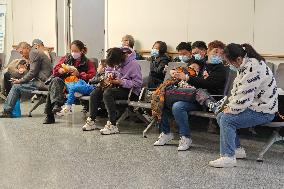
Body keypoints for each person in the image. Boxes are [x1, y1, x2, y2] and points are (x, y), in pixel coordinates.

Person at [209, 43, 278, 168]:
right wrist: (229, 106)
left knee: (226, 119)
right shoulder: (246, 65)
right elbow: (238, 91)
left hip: (264, 111)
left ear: (239, 59)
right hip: (254, 106)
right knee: (221, 116)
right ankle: (237, 150)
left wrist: (232, 109)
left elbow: (245, 97)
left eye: (228, 62)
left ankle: (228, 157)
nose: (229, 65)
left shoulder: (253, 68)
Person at [153, 40, 227, 151]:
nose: (217, 55)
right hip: (190, 95)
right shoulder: (202, 63)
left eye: (221, 54)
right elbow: (189, 68)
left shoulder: (221, 69)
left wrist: (187, 78)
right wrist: (175, 71)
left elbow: (209, 84)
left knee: (174, 103)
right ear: (207, 52)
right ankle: (166, 132)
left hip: (206, 99)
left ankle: (185, 137)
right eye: (215, 52)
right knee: (162, 98)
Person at [82, 47, 142, 134]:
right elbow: (109, 70)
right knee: (95, 92)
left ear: (121, 59)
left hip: (130, 91)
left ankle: (112, 125)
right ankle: (91, 120)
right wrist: (109, 74)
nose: (115, 67)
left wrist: (121, 81)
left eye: (115, 65)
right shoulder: (114, 60)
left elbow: (137, 83)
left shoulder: (134, 64)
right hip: (115, 86)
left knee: (107, 93)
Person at [43, 40, 95, 124]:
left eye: (76, 51)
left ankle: (50, 115)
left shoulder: (88, 62)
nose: (73, 53)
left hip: (77, 85)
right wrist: (60, 70)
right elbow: (55, 70)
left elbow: (92, 76)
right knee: (55, 80)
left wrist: (79, 74)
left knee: (52, 89)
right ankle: (56, 105)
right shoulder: (66, 58)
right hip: (64, 84)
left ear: (82, 51)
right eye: (72, 51)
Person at [1, 42, 52, 118]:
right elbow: (33, 72)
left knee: (16, 86)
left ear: (26, 48)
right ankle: (8, 109)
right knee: (12, 80)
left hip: (44, 82)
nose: (22, 55)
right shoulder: (34, 53)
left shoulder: (33, 53)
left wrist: (20, 80)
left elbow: (32, 73)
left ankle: (7, 111)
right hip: (41, 80)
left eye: (21, 52)